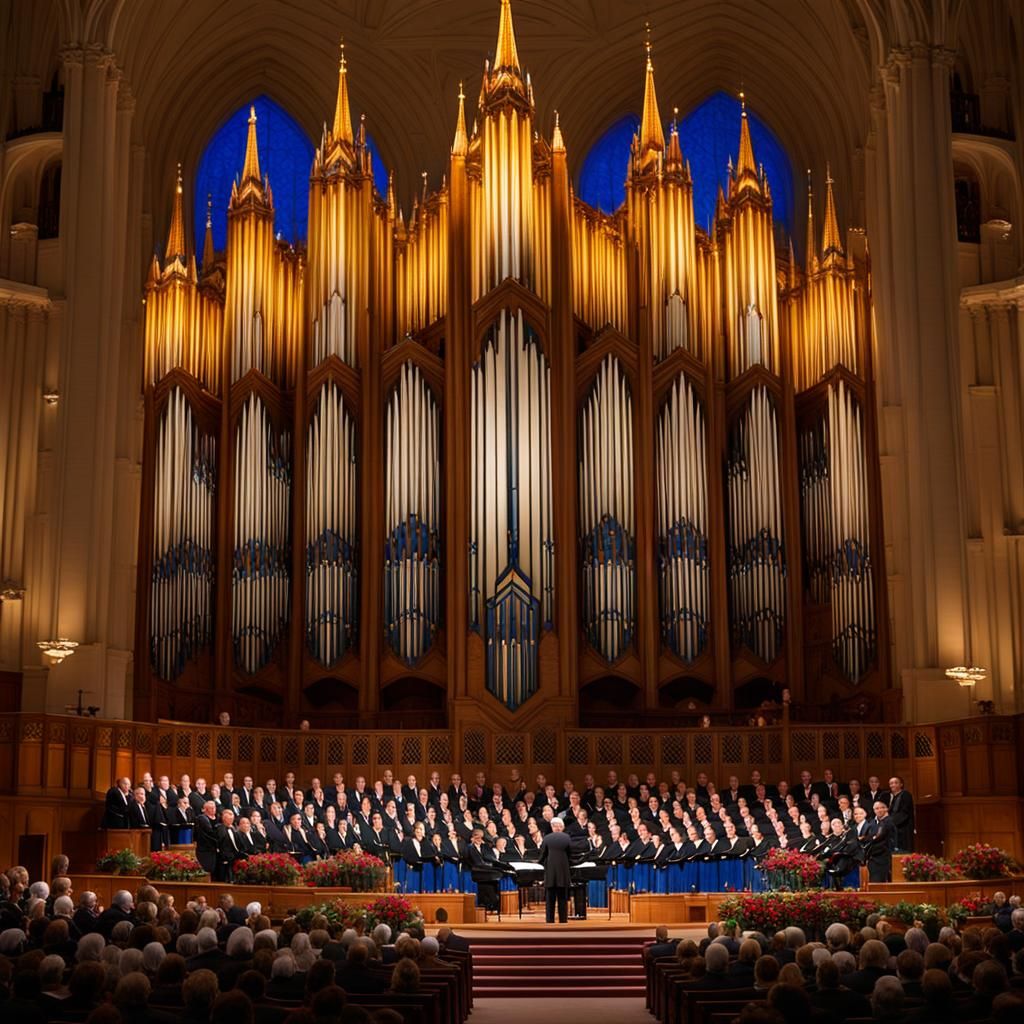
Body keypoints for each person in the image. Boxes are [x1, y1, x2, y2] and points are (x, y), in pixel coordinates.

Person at [540, 816, 572, 924]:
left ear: (552, 827)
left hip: (550, 873)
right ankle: (563, 921)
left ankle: (550, 921)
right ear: (562, 827)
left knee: (550, 899)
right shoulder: (567, 837)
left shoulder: (547, 838)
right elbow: (570, 854)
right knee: (563, 898)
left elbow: (543, 855)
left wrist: (538, 863)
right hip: (563, 872)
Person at [887, 775, 915, 851]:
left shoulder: (905, 795)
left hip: (904, 828)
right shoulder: (894, 797)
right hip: (896, 828)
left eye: (896, 783)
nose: (893, 785)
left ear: (901, 784)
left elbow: (905, 812)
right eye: (891, 783)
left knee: (903, 850)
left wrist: (891, 822)